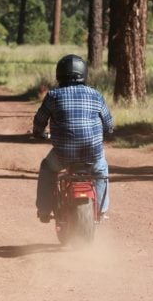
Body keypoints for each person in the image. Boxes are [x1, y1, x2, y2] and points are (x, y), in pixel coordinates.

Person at [33, 54, 114, 223]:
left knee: (47, 168)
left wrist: (39, 133)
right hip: (92, 153)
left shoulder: (53, 96)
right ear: (84, 73)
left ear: (59, 74)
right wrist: (106, 133)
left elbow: (40, 120)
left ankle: (44, 209)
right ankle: (102, 209)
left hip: (63, 155)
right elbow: (108, 122)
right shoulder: (95, 95)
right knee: (101, 171)